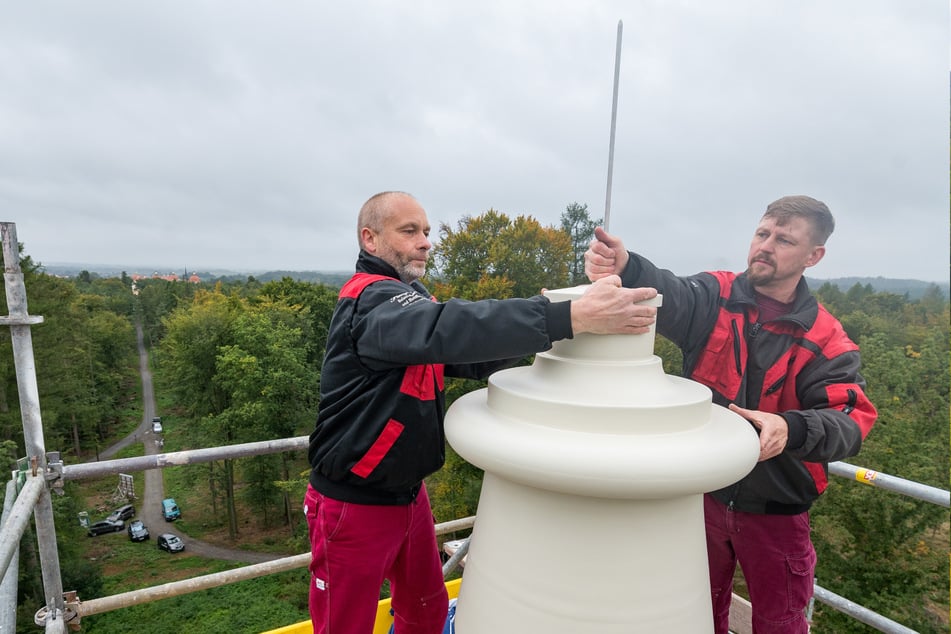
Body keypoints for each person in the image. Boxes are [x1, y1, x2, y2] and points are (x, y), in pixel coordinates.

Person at [306, 190, 658, 634]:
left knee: (426, 609)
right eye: (409, 231)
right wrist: (563, 317)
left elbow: (467, 353)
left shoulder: (410, 298)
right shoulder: (370, 303)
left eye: (427, 231)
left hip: (408, 497)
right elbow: (448, 328)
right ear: (370, 240)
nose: (425, 242)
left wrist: (558, 319)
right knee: (345, 626)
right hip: (353, 505)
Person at [585, 195, 877, 633]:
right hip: (703, 494)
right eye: (762, 233)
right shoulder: (715, 296)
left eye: (784, 240)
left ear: (814, 256)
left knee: (780, 622)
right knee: (695, 611)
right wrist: (625, 264)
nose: (765, 245)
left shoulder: (827, 338)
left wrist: (790, 426)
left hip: (777, 510)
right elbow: (669, 291)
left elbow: (851, 420)